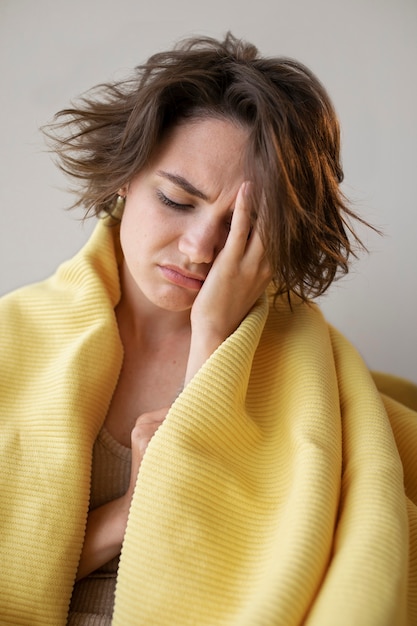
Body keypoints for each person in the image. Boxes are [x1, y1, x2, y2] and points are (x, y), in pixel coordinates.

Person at [0, 32, 416, 626]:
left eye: (242, 227)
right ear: (126, 177)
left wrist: (212, 338)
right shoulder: (13, 339)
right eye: (176, 200)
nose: (200, 250)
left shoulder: (306, 369)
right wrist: (131, 508)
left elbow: (255, 566)